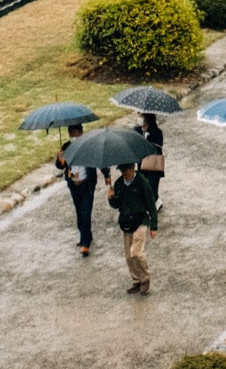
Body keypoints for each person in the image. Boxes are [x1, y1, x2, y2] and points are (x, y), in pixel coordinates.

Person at [108, 161, 159, 293]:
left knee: (136, 252)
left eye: (125, 170)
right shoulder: (119, 184)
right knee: (128, 256)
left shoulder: (143, 183)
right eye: (121, 170)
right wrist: (111, 198)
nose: (123, 173)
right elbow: (117, 204)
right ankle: (136, 280)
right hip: (126, 222)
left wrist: (153, 226)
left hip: (140, 220)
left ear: (133, 168)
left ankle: (145, 277)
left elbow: (151, 206)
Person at [55, 124, 98, 255]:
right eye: (70, 132)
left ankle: (85, 243)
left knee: (85, 212)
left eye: (73, 132)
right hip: (73, 184)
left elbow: (98, 160)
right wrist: (60, 158)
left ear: (80, 131)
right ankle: (85, 235)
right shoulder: (67, 146)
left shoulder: (88, 145)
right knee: (79, 212)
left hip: (87, 184)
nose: (71, 134)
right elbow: (60, 166)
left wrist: (107, 176)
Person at [139, 113, 166, 211]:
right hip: (142, 163)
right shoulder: (139, 130)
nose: (139, 118)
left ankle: (153, 204)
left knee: (152, 185)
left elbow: (157, 146)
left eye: (141, 116)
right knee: (144, 184)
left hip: (153, 163)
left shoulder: (156, 132)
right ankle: (156, 201)